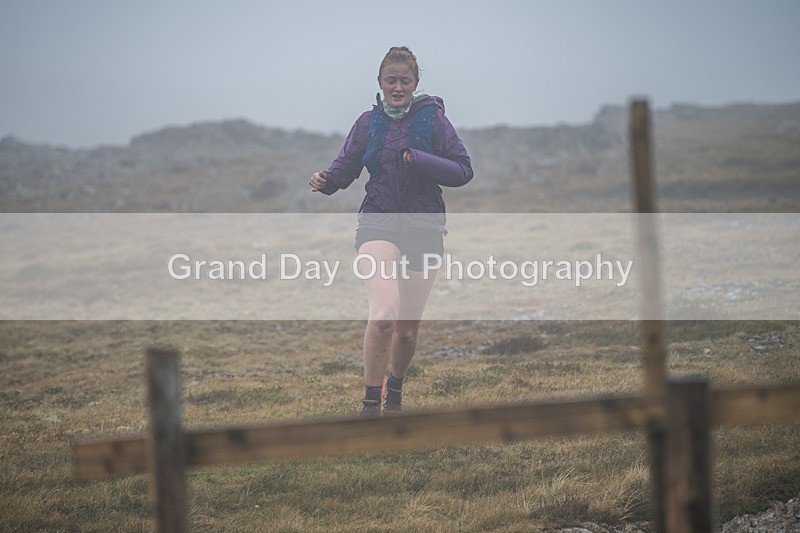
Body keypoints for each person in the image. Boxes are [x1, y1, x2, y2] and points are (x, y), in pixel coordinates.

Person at [309, 46, 473, 417]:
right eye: (390, 80)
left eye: (405, 80)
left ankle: (393, 390)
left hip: (424, 227)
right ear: (380, 82)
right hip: (377, 221)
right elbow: (346, 166)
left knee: (406, 331)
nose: (397, 87)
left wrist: (421, 158)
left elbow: (463, 170)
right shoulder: (368, 122)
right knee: (383, 316)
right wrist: (326, 180)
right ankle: (370, 406)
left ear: (416, 83)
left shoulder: (434, 120)